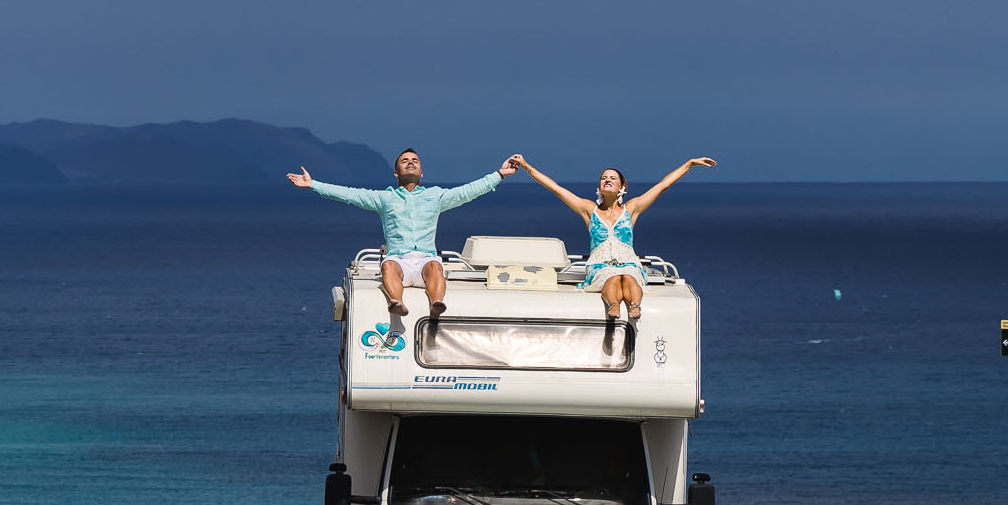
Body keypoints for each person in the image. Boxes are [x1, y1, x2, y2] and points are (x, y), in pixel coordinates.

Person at [289, 149, 519, 317]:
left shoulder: (436, 197)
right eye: (405, 161)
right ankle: (396, 302)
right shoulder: (384, 199)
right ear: (396, 173)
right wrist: (313, 185)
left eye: (415, 161)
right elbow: (349, 194)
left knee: (436, 266)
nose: (410, 163)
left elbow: (468, 191)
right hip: (398, 260)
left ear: (421, 172)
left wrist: (500, 174)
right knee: (387, 265)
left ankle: (436, 303)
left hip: (425, 260)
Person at [511, 155, 716, 320]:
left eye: (612, 178)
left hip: (628, 262)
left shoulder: (632, 209)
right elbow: (556, 188)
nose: (607, 180)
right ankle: (614, 306)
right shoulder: (589, 210)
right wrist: (527, 166)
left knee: (627, 275)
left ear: (622, 186)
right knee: (612, 277)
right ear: (599, 186)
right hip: (600, 265)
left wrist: (689, 164)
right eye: (604, 178)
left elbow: (662, 186)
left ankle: (635, 306)